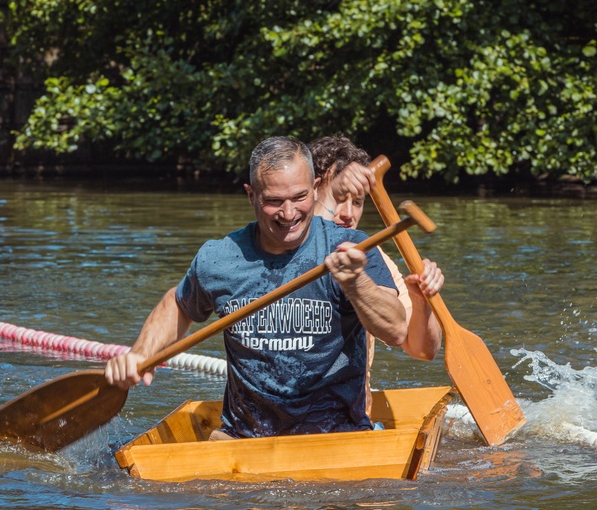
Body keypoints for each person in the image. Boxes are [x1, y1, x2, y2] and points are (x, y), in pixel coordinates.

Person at [105, 136, 407, 438]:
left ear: (316, 190)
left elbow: (395, 330)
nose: (288, 214)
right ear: (251, 196)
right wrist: (141, 353)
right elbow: (179, 304)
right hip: (245, 439)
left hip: (335, 435)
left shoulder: (351, 246)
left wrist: (356, 284)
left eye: (299, 198)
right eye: (274, 201)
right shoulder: (219, 258)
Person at [308, 135, 444, 367]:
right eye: (339, 197)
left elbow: (423, 351)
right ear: (309, 192)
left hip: (352, 402)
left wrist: (421, 302)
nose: (349, 214)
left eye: (358, 202)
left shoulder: (373, 258)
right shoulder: (274, 246)